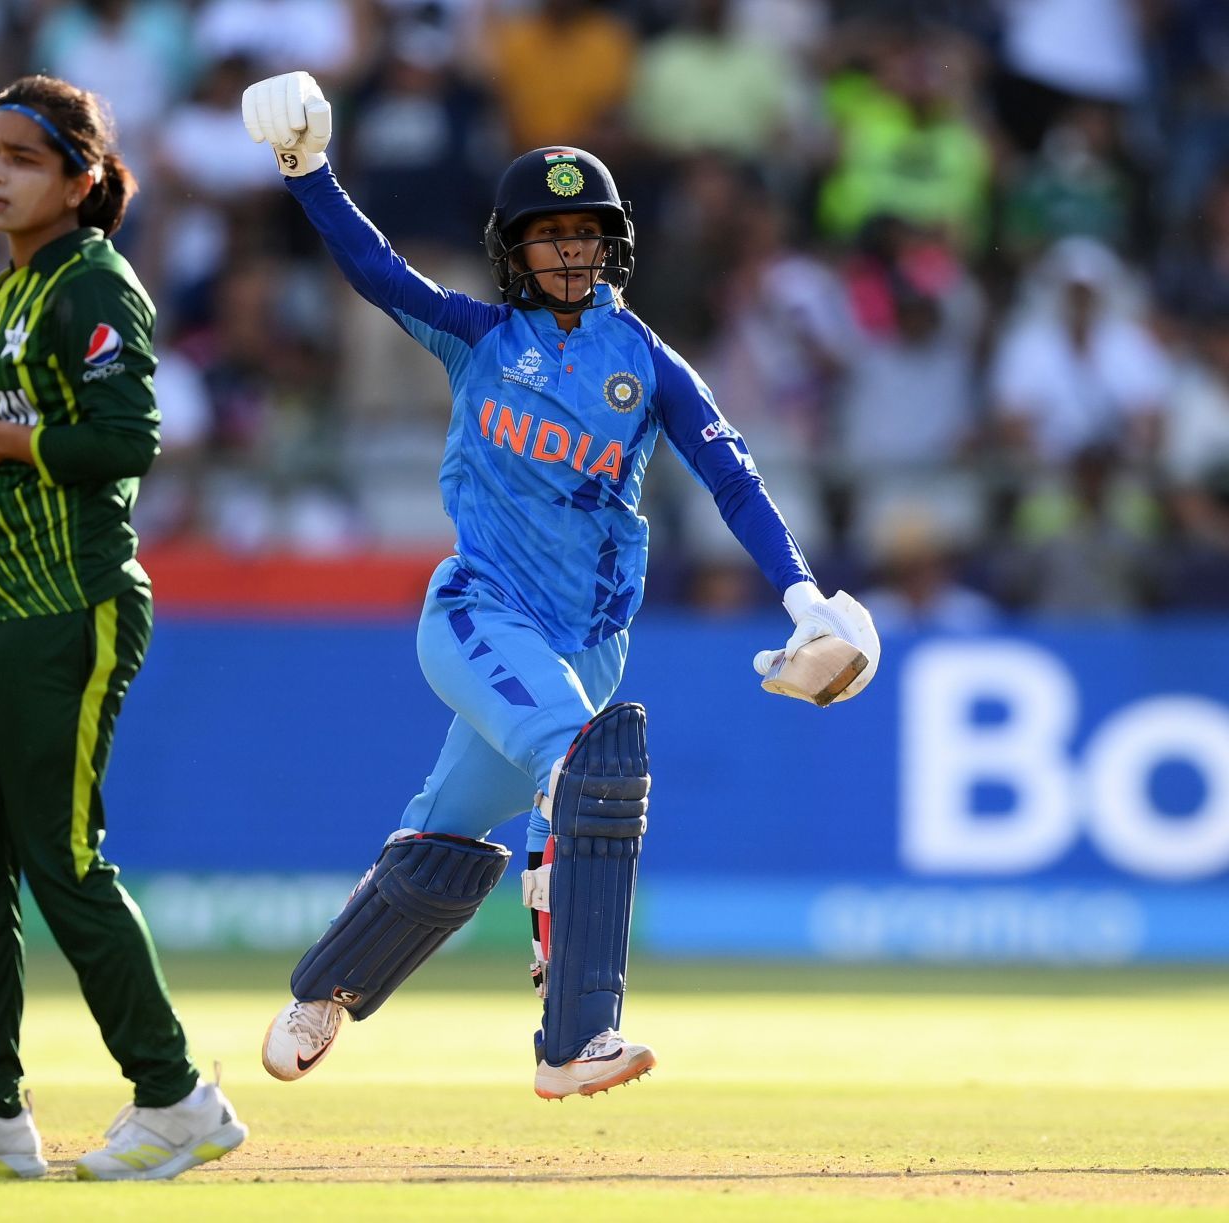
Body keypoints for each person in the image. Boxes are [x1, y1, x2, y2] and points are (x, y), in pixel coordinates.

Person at [239, 71, 881, 1100]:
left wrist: (801, 592)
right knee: (588, 763)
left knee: (448, 827)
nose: (572, 249)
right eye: (551, 234)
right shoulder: (479, 338)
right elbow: (378, 271)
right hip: (480, 609)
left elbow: (733, 475)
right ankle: (572, 1033)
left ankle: (325, 988)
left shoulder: (649, 362)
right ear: (514, 249)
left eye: (588, 232)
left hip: (586, 640)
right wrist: (309, 173)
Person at [0, 74, 247, 1183]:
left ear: (82, 180)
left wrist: (3, 446)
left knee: (62, 858)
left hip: (64, 609)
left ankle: (178, 1098)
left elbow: (129, 439)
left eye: (22, 158)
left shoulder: (94, 283)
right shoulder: (5, 294)